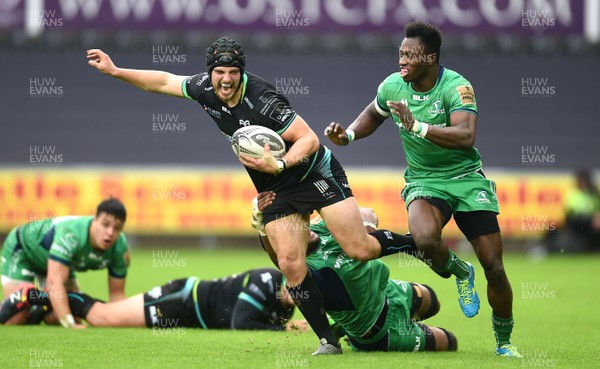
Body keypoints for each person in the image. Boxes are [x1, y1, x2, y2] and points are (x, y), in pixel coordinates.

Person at [86, 37, 416, 355]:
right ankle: (328, 341)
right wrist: (117, 70)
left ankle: (418, 244)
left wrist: (281, 161)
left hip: (311, 173)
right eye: (219, 72)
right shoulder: (204, 88)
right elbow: (163, 81)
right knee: (289, 263)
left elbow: (310, 139)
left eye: (233, 72)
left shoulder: (263, 99)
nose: (226, 79)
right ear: (210, 73)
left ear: (242, 73)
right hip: (277, 189)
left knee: (359, 248)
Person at [324, 21, 521, 357]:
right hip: (424, 180)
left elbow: (465, 137)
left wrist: (418, 126)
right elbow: (374, 113)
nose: (402, 60)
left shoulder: (456, 87)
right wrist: (350, 135)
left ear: (430, 58)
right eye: (400, 53)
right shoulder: (393, 86)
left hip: (466, 179)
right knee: (425, 240)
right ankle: (460, 270)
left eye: (410, 55)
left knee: (496, 268)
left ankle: (504, 342)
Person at [254, 191, 457, 352]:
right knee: (450, 341)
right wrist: (263, 226)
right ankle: (351, 335)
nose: (304, 227)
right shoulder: (304, 270)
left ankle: (341, 325)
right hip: (380, 332)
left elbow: (366, 213)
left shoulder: (322, 230)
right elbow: (278, 258)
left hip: (389, 291)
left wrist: (365, 231)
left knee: (433, 303)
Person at [0, 268, 306, 332]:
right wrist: (285, 331)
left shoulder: (287, 303)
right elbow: (241, 323)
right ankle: (34, 295)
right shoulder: (266, 280)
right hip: (182, 300)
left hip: (188, 312)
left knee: (107, 314)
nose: (297, 296)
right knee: (101, 317)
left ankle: (44, 314)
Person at [0, 197, 130, 328]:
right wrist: (69, 324)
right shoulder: (72, 233)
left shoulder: (120, 248)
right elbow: (54, 281)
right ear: (94, 220)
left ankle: (37, 303)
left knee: (73, 316)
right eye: (105, 224)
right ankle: (32, 300)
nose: (110, 232)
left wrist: (124, 321)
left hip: (58, 265)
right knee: (16, 319)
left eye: (117, 228)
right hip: (23, 252)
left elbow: (117, 294)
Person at [544, 169, 600, 253]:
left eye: (585, 181)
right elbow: (569, 215)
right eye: (581, 181)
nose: (583, 183)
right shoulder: (572, 193)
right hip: (576, 223)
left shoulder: (594, 194)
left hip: (591, 225)